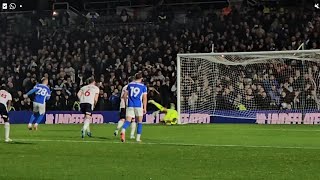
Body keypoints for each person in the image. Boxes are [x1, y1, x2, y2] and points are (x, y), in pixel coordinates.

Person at [120, 72, 147, 142]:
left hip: (130, 105)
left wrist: (126, 103)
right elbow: (145, 98)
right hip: (138, 105)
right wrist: (145, 108)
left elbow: (124, 96)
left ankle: (123, 130)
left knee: (128, 121)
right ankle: (138, 138)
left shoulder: (129, 85)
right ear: (141, 78)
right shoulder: (143, 86)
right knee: (139, 122)